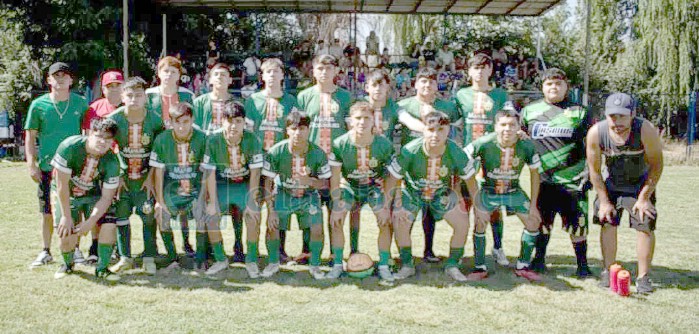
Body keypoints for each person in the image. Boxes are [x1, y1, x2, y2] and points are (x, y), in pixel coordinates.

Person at [587, 93, 663, 294]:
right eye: (612, 116)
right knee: (607, 221)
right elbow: (594, 170)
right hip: (611, 184)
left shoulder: (644, 129)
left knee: (644, 223)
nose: (617, 121)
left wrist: (644, 198)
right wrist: (603, 201)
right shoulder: (596, 132)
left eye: (622, 116)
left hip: (639, 184)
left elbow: (656, 165)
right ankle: (608, 270)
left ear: (633, 114)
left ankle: (643, 277)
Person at [388, 111, 478, 281]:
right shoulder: (410, 150)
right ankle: (407, 265)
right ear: (424, 130)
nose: (435, 135)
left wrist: (479, 209)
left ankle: (452, 265)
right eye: (430, 129)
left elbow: (472, 183)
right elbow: (394, 179)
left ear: (448, 130)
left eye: (441, 130)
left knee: (462, 222)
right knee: (400, 221)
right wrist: (396, 204)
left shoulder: (456, 151)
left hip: (441, 194)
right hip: (413, 192)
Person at [520, 68, 593, 277]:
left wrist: (590, 171)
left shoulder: (580, 112)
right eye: (549, 84)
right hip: (543, 180)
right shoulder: (529, 112)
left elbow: (593, 144)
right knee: (543, 222)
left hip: (573, 179)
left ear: (566, 86)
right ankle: (539, 260)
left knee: (578, 224)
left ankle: (583, 266)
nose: (554, 87)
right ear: (542, 87)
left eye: (558, 84)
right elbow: (521, 138)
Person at [465, 108, 543, 281]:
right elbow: (462, 159)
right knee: (480, 222)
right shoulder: (484, 142)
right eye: (503, 125)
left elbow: (535, 175)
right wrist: (476, 200)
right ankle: (479, 267)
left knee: (533, 221)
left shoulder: (527, 145)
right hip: (488, 190)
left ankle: (523, 265)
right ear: (495, 127)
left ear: (518, 128)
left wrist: (533, 206)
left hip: (513, 191)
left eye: (512, 125)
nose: (507, 129)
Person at [25, 62, 89, 268]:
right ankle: (46, 250)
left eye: (65, 76)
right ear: (49, 80)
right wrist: (31, 163)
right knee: (47, 212)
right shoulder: (38, 105)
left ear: (71, 80)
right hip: (47, 167)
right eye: (56, 75)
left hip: (75, 167)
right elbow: (30, 135)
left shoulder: (80, 103)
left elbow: (87, 133)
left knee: (74, 209)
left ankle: (76, 248)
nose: (60, 79)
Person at [327, 102, 398, 280]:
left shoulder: (384, 144)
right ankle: (337, 264)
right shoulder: (339, 143)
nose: (362, 122)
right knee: (336, 219)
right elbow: (335, 177)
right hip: (349, 186)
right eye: (358, 118)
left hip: (374, 188)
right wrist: (336, 204)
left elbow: (392, 176)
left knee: (384, 220)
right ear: (350, 121)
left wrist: (386, 205)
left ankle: (383, 265)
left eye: (367, 118)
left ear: (373, 120)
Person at [397, 67, 461, 263]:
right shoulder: (404, 105)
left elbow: (458, 128)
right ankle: (402, 254)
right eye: (423, 81)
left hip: (437, 164)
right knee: (405, 212)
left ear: (437, 85)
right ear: (415, 84)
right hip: (411, 165)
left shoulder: (447, 107)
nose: (427, 85)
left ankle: (428, 250)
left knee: (430, 211)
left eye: (431, 82)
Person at [454, 54, 509, 267]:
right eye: (475, 68)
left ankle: (498, 247)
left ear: (490, 70)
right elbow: (450, 120)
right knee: (465, 205)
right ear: (469, 72)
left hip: (493, 158)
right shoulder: (460, 95)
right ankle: (461, 248)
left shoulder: (500, 95)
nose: (479, 72)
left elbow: (511, 119)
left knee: (494, 206)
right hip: (468, 158)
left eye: (483, 68)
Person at [262, 111, 332, 279]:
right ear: (287, 130)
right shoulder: (276, 152)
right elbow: (267, 183)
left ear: (308, 130)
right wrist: (270, 210)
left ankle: (314, 265)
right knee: (272, 225)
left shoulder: (318, 153)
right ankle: (273, 263)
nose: (298, 133)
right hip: (284, 194)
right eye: (294, 129)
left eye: (302, 128)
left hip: (308, 196)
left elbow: (324, 183)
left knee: (317, 228)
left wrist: (308, 180)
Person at [296, 54, 352, 263]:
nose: (324, 72)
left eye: (329, 68)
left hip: (336, 162)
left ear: (336, 71)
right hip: (312, 160)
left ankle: (333, 251)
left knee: (334, 205)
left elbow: (349, 130)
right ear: (313, 71)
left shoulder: (345, 97)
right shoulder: (304, 96)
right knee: (309, 205)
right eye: (320, 68)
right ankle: (307, 249)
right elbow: (298, 129)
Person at [106, 77, 165, 275]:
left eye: (138, 95)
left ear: (145, 98)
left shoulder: (155, 119)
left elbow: (161, 151)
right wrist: (116, 174)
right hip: (123, 179)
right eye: (129, 95)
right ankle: (125, 258)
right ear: (122, 97)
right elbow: (105, 148)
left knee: (148, 218)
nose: (134, 99)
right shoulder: (114, 119)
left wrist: (152, 177)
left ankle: (149, 258)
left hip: (145, 180)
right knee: (121, 217)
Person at [51, 118, 121, 280]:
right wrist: (66, 217)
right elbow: (61, 185)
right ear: (89, 133)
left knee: (109, 226)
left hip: (94, 196)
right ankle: (67, 264)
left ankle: (102, 268)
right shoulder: (70, 147)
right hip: (68, 195)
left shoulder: (112, 161)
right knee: (66, 232)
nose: (103, 141)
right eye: (99, 136)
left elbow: (106, 197)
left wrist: (90, 222)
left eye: (108, 138)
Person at [244, 58, 299, 262]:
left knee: (278, 207)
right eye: (268, 72)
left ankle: (279, 250)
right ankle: (252, 248)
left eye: (276, 72)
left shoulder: (291, 101)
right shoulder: (253, 101)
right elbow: (248, 131)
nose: (272, 76)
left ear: (282, 75)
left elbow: (293, 131)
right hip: (257, 161)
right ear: (262, 76)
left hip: (280, 162)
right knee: (255, 205)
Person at [201, 101, 263, 276]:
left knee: (253, 215)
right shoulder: (213, 140)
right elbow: (210, 173)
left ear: (244, 122)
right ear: (222, 122)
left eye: (238, 121)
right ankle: (221, 259)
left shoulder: (252, 139)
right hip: (223, 185)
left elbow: (256, 172)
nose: (233, 126)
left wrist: (252, 200)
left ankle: (251, 260)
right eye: (229, 121)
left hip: (244, 185)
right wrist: (212, 202)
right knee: (211, 216)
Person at [146, 56, 197, 255]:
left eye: (173, 71)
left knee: (182, 202)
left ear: (179, 75)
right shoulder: (150, 95)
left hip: (181, 156)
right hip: (156, 154)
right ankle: (159, 246)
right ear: (159, 73)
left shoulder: (187, 95)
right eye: (165, 71)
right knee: (157, 202)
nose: (169, 75)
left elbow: (194, 123)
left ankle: (186, 242)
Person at [150, 103, 207, 272]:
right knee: (162, 216)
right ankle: (172, 257)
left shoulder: (202, 138)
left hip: (195, 190)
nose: (181, 127)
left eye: (185, 122)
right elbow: (158, 173)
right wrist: (160, 202)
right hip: (172, 190)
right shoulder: (162, 139)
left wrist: (204, 198)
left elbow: (206, 172)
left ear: (192, 120)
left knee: (202, 215)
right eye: (177, 122)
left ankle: (201, 258)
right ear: (171, 122)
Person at [193, 63, 236, 135]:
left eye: (223, 75)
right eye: (216, 74)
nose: (219, 77)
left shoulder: (237, 103)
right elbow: (194, 127)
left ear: (230, 80)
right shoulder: (199, 102)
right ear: (210, 80)